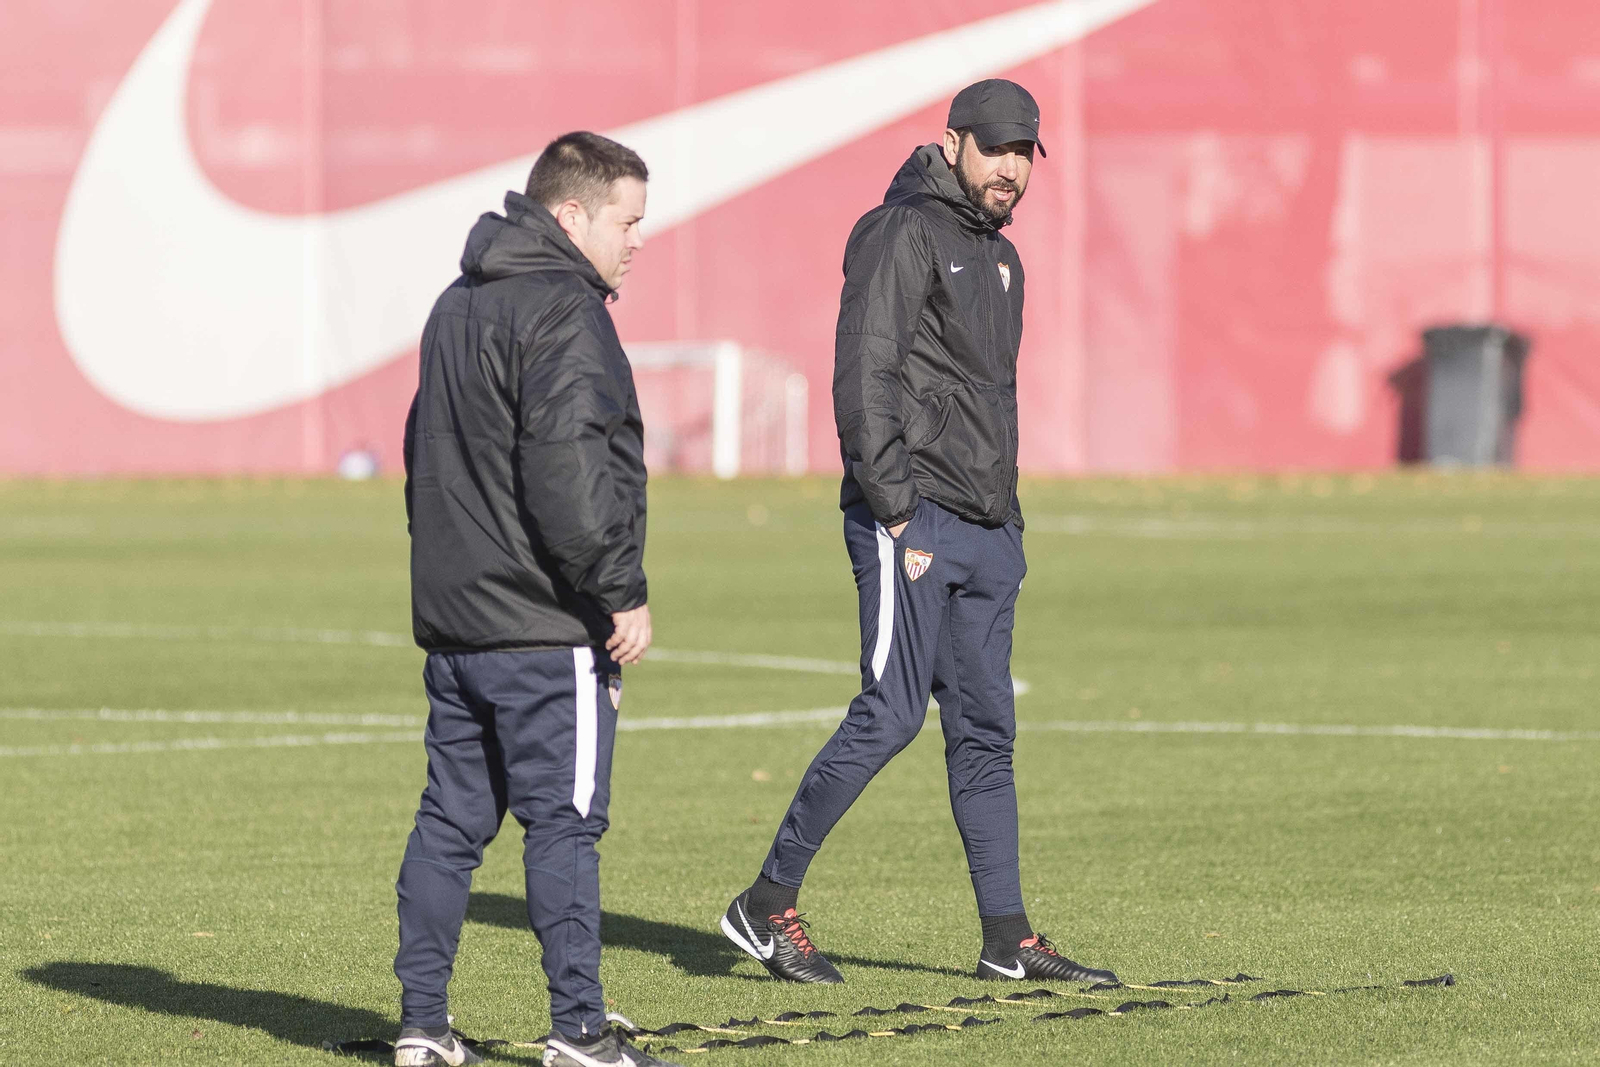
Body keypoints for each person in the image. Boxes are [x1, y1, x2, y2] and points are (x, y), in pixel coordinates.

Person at [720, 80, 1119, 987]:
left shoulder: (1006, 258)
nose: (1012, 169)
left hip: (986, 530)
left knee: (986, 731)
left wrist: (1006, 523)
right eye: (996, 150)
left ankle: (1007, 938)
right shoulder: (899, 231)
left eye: (1025, 154)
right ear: (954, 144)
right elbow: (863, 374)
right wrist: (898, 509)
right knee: (892, 713)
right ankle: (765, 901)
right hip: (912, 520)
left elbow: (991, 402)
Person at [394, 131, 675, 1067]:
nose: (638, 238)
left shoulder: (454, 302)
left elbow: (420, 455)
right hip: (545, 624)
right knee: (565, 823)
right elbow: (570, 473)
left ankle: (422, 1027)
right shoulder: (565, 311)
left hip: (460, 621)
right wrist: (620, 592)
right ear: (570, 216)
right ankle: (579, 1031)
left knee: (450, 821)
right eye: (627, 220)